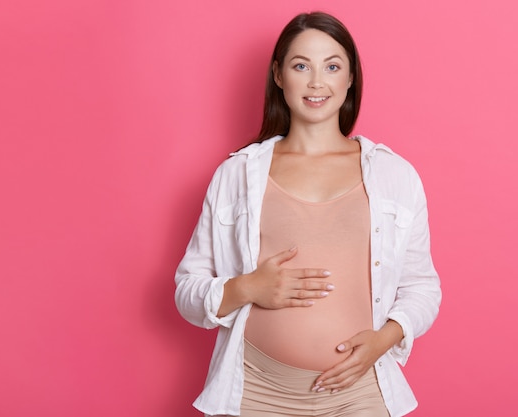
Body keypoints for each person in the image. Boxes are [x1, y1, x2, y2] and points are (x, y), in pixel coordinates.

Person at [175, 11, 441, 417]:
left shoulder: (394, 176)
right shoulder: (236, 175)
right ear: (279, 75)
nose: (317, 81)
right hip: (256, 392)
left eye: (332, 66)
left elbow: (422, 287)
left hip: (359, 394)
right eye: (302, 66)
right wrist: (247, 288)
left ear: (350, 78)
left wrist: (385, 339)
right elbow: (186, 291)